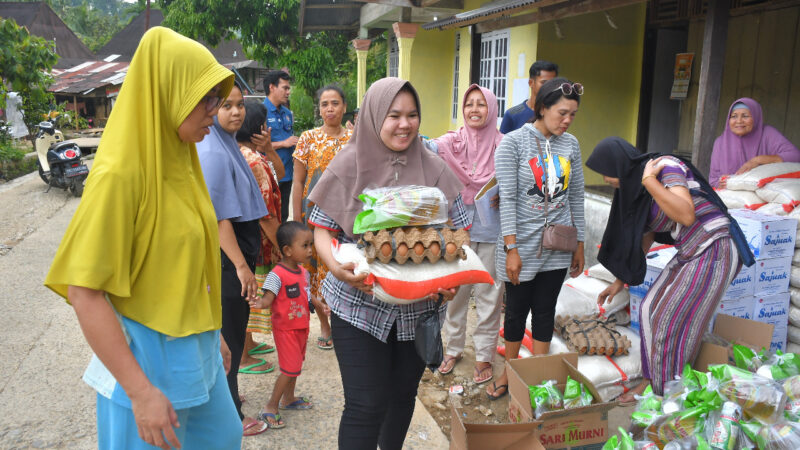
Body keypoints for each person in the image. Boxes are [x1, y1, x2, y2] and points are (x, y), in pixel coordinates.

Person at [44, 27, 244, 448]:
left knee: (225, 436)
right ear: (169, 94)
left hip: (196, 354)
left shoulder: (182, 163)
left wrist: (213, 336)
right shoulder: (120, 176)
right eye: (206, 99)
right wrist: (139, 392)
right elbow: (85, 292)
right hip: (147, 365)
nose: (215, 111)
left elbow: (184, 265)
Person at [307, 77, 467, 449]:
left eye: (412, 115)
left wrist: (451, 276)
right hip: (358, 305)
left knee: (400, 399)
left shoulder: (434, 167)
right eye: (393, 115)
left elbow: (460, 229)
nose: (405, 124)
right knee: (366, 404)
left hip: (420, 308)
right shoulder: (349, 164)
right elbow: (322, 230)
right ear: (374, 116)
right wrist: (335, 267)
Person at [587, 137, 745, 399]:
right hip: (691, 250)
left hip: (715, 249)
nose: (605, 179)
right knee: (650, 309)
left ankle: (663, 393)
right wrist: (620, 279)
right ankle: (656, 381)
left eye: (606, 171)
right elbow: (646, 234)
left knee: (667, 318)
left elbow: (685, 214)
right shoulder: (636, 190)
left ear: (620, 164)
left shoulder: (664, 168)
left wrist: (649, 182)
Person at [487, 77, 585, 400]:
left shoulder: (570, 144)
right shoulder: (512, 143)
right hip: (521, 246)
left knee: (545, 311)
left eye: (572, 114)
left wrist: (580, 243)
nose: (567, 120)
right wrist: (511, 248)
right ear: (542, 108)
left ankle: (539, 373)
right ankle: (509, 372)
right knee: (515, 312)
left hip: (557, 246)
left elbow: (576, 196)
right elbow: (509, 200)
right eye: (561, 113)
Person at [196, 82, 270, 435]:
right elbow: (219, 216)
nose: (236, 112)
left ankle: (231, 404)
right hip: (227, 262)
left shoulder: (226, 145)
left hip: (235, 257)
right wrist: (242, 267)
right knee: (229, 340)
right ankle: (230, 418)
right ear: (211, 108)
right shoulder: (212, 151)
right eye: (226, 106)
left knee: (235, 335)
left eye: (240, 105)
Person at [429, 84, 504, 385]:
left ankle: (484, 355)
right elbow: (423, 147)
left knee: (489, 294)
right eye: (469, 104)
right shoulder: (450, 143)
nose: (474, 109)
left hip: (491, 228)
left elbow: (520, 179)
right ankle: (454, 348)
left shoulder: (504, 144)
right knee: (454, 293)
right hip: (456, 229)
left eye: (481, 104)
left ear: (492, 109)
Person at [292, 84, 353, 350]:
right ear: (319, 109)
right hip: (312, 215)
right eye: (325, 104)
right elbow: (297, 181)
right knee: (315, 270)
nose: (330, 108)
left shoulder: (354, 139)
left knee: (341, 266)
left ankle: (343, 324)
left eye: (335, 103)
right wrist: (296, 218)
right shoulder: (307, 138)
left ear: (344, 107)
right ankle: (326, 326)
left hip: (345, 214)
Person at [250, 221, 315, 428]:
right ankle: (271, 406)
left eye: (310, 245)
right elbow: (268, 298)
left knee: (295, 367)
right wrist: (259, 303)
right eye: (305, 246)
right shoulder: (276, 275)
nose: (310, 250)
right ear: (287, 250)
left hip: (301, 328)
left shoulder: (303, 272)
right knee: (290, 368)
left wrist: (321, 304)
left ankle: (289, 399)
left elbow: (308, 295)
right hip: (286, 330)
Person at [236, 102, 285, 374]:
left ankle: (249, 343)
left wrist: (268, 147)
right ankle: (243, 356)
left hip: (255, 241)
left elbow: (282, 173)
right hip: (258, 243)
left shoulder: (253, 154)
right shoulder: (252, 161)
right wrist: (284, 247)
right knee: (249, 296)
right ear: (259, 127)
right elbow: (266, 215)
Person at [709, 97, 800, 188]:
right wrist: (720, 183)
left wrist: (758, 160)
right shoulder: (720, 142)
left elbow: (796, 156)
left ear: (756, 117)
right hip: (730, 196)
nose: (739, 121)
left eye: (745, 116)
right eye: (734, 116)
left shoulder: (768, 134)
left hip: (763, 193)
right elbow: (713, 179)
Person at [263, 70, 298, 221]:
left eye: (288, 88)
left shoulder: (287, 113)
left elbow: (290, 138)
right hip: (270, 173)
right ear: (272, 87)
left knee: (283, 215)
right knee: (270, 215)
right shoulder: (261, 112)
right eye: (285, 88)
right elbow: (257, 145)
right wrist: (284, 143)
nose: (288, 92)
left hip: (288, 172)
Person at [499, 60, 559, 134]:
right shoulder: (512, 114)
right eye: (544, 82)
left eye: (553, 83)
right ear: (531, 83)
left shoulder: (558, 113)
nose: (549, 87)